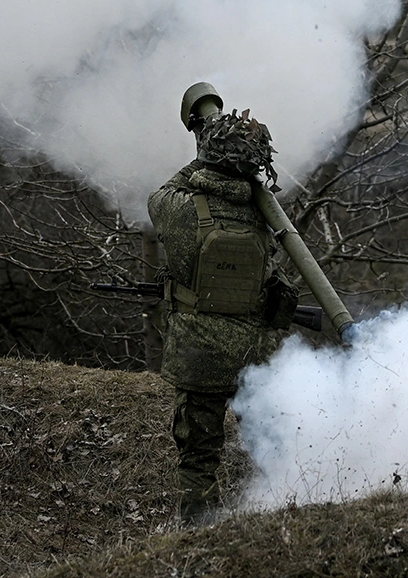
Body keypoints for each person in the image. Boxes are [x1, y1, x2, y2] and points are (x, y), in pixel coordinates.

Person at [147, 82, 295, 525]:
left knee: (198, 458)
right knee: (267, 447)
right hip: (254, 355)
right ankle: (275, 519)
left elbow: (159, 195)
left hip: (199, 357)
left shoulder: (182, 209)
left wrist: (204, 154)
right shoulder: (261, 214)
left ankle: (196, 537)